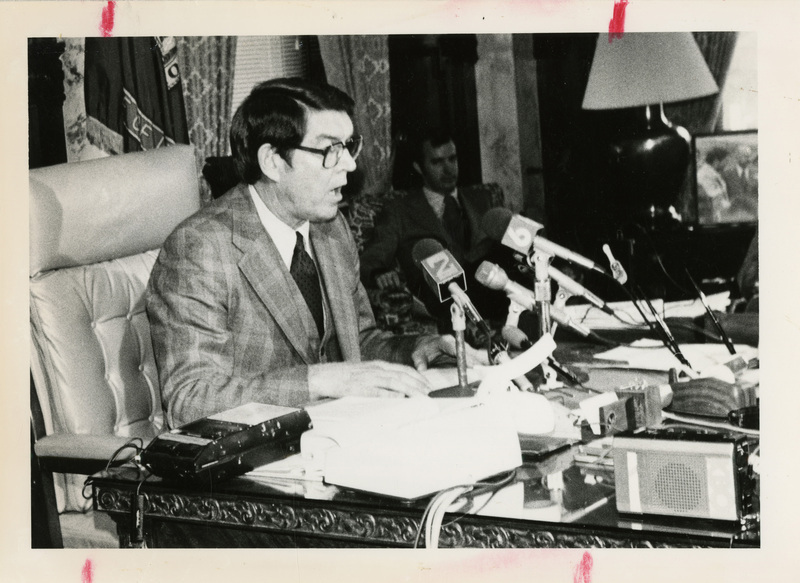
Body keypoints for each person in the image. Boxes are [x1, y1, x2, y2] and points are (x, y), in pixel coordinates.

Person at [146, 78, 486, 428]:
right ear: (273, 161)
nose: (350, 165)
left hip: (337, 435)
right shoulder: (200, 248)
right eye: (329, 150)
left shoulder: (332, 228)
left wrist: (415, 349)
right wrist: (318, 381)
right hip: (258, 453)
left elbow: (357, 345)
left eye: (348, 146)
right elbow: (190, 399)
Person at [359, 128, 513, 332]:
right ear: (419, 167)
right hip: (439, 296)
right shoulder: (399, 209)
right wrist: (379, 273)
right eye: (437, 162)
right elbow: (370, 259)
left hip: (491, 288)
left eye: (452, 159)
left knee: (513, 251)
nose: (448, 169)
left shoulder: (482, 199)